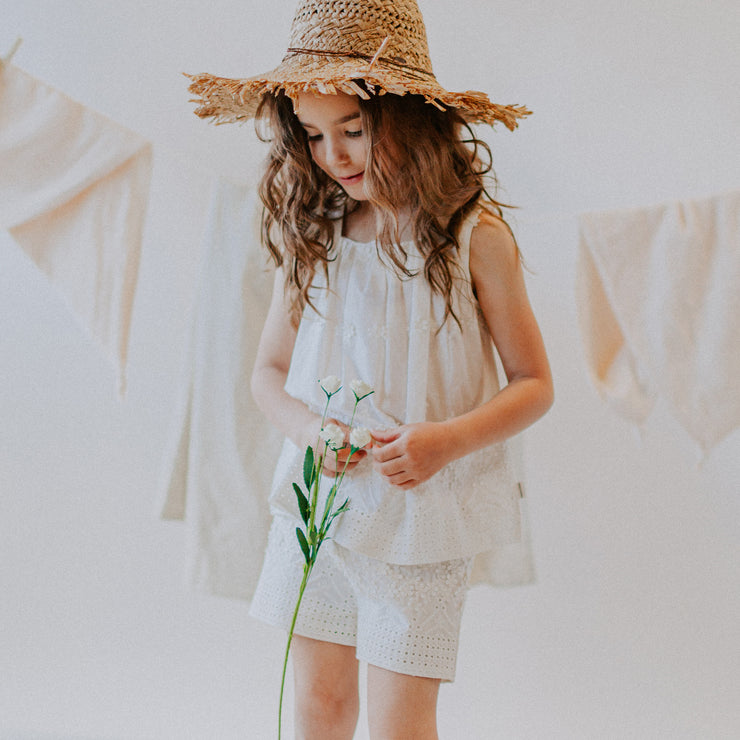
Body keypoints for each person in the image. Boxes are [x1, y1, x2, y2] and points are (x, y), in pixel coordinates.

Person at [188, 1, 553, 737]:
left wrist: (443, 441)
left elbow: (533, 383)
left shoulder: (470, 238)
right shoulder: (317, 233)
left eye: (353, 130)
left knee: (399, 723)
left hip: (422, 518)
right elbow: (267, 371)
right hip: (323, 507)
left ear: (410, 118)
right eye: (315, 136)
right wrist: (311, 429)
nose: (335, 156)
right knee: (318, 706)